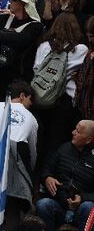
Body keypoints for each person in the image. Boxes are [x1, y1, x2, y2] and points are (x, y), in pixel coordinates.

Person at [0, 81, 39, 231]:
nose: (31, 105)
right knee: (12, 206)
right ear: (22, 96)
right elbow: (32, 151)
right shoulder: (31, 118)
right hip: (15, 162)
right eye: (30, 100)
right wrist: (27, 172)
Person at [33, 12, 89, 157]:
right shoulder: (81, 49)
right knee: (57, 138)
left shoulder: (44, 45)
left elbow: (36, 68)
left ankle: (35, 169)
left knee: (39, 134)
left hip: (41, 95)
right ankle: (49, 173)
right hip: (65, 98)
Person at [36, 120, 94, 231]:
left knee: (88, 206)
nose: (73, 132)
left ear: (88, 140)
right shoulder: (64, 149)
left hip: (80, 210)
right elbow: (46, 169)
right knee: (43, 204)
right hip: (60, 206)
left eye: (78, 132)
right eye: (75, 129)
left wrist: (82, 198)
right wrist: (47, 177)